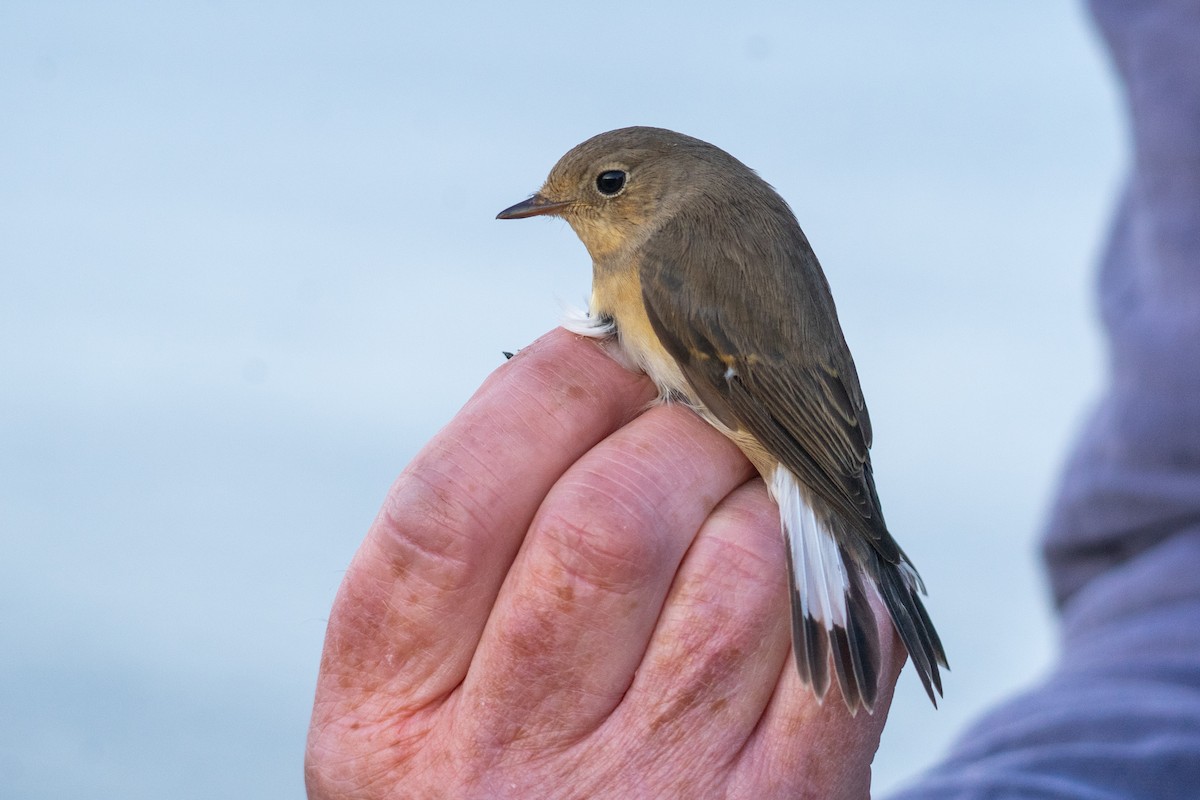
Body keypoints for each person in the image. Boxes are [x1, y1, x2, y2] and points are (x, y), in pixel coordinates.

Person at [305, 1, 1200, 796]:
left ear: (657, 187)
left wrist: (841, 511)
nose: (572, 209)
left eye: (604, 187)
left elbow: (751, 388)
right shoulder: (714, 226)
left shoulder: (672, 252)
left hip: (786, 433)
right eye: (567, 199)